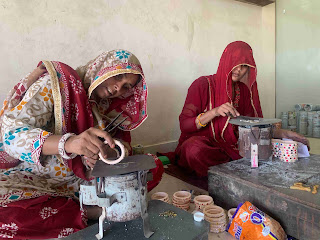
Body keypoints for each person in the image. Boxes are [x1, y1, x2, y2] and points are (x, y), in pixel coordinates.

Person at [0, 49, 163, 239]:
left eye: (126, 86)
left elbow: (123, 146)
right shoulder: (56, 84)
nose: (118, 87)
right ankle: (90, 211)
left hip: (82, 181)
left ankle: (82, 209)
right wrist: (69, 143)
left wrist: (108, 154)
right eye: (118, 76)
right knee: (10, 217)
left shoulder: (108, 106)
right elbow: (11, 135)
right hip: (37, 179)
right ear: (104, 67)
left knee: (152, 166)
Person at [172, 41, 309, 177]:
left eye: (244, 66)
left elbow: (252, 124)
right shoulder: (202, 85)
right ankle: (231, 172)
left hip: (230, 146)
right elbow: (185, 125)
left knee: (260, 150)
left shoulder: (242, 90)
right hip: (205, 145)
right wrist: (214, 112)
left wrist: (283, 134)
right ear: (226, 61)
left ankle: (228, 172)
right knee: (194, 150)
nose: (239, 70)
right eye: (235, 64)